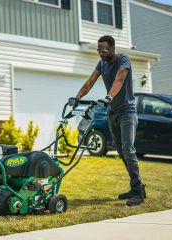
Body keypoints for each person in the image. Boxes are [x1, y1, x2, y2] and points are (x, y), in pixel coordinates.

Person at [70, 35, 146, 206]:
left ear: (113, 49)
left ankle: (138, 191)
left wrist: (108, 97)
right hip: (112, 113)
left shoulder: (123, 60)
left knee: (128, 150)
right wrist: (77, 98)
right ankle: (137, 186)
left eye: (104, 50)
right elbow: (90, 81)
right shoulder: (102, 63)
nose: (101, 53)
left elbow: (119, 79)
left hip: (127, 111)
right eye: (99, 50)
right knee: (121, 152)